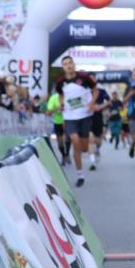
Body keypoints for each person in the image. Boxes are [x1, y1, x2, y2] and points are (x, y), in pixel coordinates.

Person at [54, 55, 98, 187]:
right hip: (70, 117)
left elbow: (95, 90)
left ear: (74, 64)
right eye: (65, 64)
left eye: (70, 63)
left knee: (84, 147)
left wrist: (92, 102)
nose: (68, 65)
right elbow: (61, 95)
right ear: (63, 67)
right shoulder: (60, 82)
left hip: (84, 115)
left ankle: (85, 150)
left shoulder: (84, 78)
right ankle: (80, 175)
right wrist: (61, 104)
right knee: (75, 141)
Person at [88, 82, 112, 170]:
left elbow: (109, 101)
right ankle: (92, 162)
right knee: (90, 139)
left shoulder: (101, 91)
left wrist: (100, 106)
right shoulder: (84, 91)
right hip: (87, 117)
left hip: (98, 117)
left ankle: (97, 149)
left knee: (98, 141)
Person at [46, 88, 70, 164]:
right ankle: (63, 155)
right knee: (60, 142)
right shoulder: (53, 98)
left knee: (67, 139)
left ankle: (67, 154)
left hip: (68, 121)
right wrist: (57, 108)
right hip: (58, 121)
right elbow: (48, 112)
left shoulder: (69, 96)